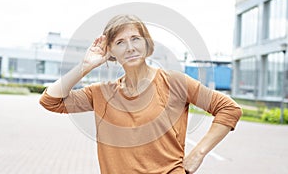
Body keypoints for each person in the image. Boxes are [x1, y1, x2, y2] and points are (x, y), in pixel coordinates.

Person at [39, 14, 242, 174]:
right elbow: (50, 101)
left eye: (135, 39)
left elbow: (229, 109)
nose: (130, 48)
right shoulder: (101, 93)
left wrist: (198, 153)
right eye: (120, 42)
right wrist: (85, 67)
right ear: (110, 50)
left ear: (146, 43)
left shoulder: (175, 82)